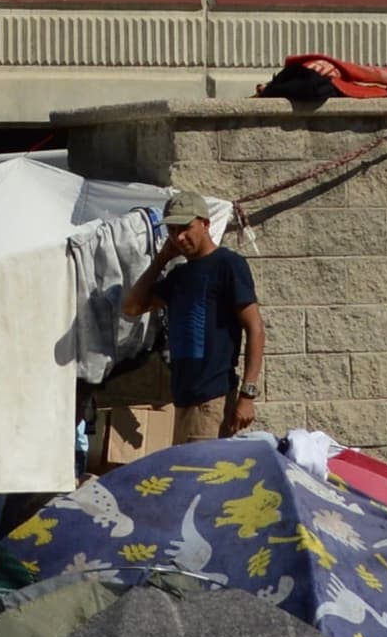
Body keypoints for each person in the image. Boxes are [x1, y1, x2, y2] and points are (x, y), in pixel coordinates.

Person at [89, 195, 265, 467]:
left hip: (212, 398)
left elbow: (255, 328)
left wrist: (247, 395)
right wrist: (161, 260)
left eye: (185, 228)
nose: (179, 237)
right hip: (182, 399)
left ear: (205, 224)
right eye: (172, 230)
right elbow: (133, 307)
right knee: (187, 485)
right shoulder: (179, 276)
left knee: (202, 484)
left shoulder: (228, 264)